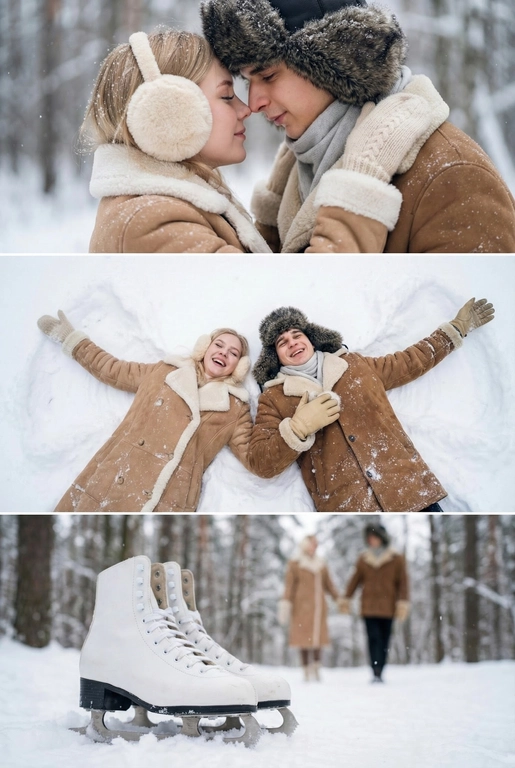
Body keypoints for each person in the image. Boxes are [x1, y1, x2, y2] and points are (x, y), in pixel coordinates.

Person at [83, 28, 435, 253]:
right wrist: (363, 174)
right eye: (226, 96)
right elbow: (294, 310)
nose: (247, 108)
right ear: (169, 114)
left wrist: (276, 206)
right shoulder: (154, 220)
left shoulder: (164, 202)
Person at [201, 0, 515, 253]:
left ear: (333, 63)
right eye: (247, 80)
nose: (253, 102)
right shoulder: (297, 173)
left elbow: (483, 325)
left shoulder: (451, 174)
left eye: (268, 76)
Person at [248, 298, 495, 512]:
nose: (292, 343)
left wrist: (455, 329)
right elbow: (261, 462)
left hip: (407, 489)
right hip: (347, 507)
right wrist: (298, 428)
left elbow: (409, 362)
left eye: (297, 335)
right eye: (282, 342)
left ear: (311, 339)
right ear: (275, 356)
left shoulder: (354, 365)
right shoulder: (274, 398)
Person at [37, 311, 254, 512]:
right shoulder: (163, 371)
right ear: (204, 347)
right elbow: (112, 369)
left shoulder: (234, 409)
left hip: (169, 497)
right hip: (117, 474)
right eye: (219, 344)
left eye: (233, 353)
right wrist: (72, 340)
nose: (223, 353)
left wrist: (288, 429)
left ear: (239, 366)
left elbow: (255, 458)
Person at [339, 523, 409, 682]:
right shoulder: (363, 559)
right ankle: (375, 670)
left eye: (374, 537)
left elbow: (403, 583)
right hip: (369, 607)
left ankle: (381, 669)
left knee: (384, 640)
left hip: (388, 607)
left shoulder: (396, 559)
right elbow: (354, 581)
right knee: (373, 639)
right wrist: (346, 598)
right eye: (369, 538)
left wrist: (403, 602)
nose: (371, 540)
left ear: (381, 538)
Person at [278, 535, 340, 681]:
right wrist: (286, 603)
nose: (315, 547)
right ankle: (306, 669)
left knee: (318, 637)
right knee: (303, 638)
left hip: (319, 607)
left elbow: (329, 585)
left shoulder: (321, 564)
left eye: (316, 545)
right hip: (301, 606)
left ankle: (317, 668)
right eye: (312, 544)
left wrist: (338, 599)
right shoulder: (295, 563)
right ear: (305, 545)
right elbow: (289, 586)